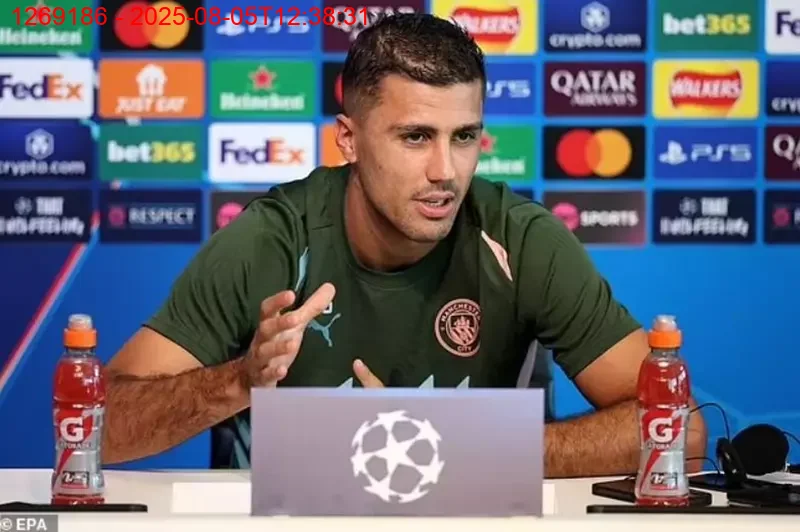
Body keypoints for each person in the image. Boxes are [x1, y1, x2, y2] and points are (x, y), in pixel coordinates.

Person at [101, 13, 707, 475]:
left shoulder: (519, 240)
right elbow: (98, 429)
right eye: (416, 137)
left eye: (464, 136)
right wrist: (237, 382)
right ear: (349, 139)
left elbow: (681, 431)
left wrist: (466, 446)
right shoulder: (272, 242)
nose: (446, 171)